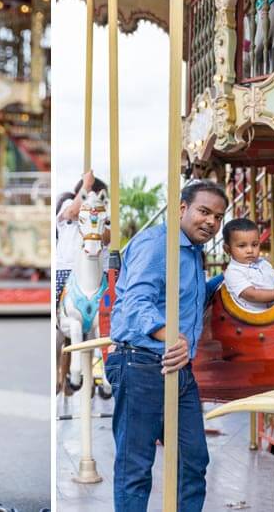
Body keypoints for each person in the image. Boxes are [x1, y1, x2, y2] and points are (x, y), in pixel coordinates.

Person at [106, 180, 227, 512]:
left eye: (218, 217)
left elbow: (189, 299)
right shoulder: (158, 244)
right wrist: (167, 334)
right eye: (204, 211)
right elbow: (136, 302)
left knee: (193, 460)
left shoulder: (191, 252)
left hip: (177, 367)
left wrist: (234, 279)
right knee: (136, 466)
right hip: (141, 362)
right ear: (182, 208)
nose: (211, 222)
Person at [55, 170, 109, 305]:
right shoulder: (67, 204)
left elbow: (108, 237)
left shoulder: (104, 214)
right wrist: (87, 184)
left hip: (99, 271)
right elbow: (72, 212)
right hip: (69, 268)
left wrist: (96, 221)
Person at [222, 218, 274, 312]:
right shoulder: (233, 272)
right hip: (254, 320)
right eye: (242, 246)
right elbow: (252, 295)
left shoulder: (264, 264)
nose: (250, 250)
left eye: (254, 245)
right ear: (228, 249)